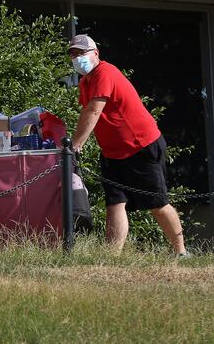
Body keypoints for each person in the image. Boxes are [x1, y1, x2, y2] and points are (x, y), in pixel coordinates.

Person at [69, 34, 187, 255]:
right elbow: (87, 114)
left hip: (140, 146)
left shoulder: (104, 72)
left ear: (95, 53)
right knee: (114, 203)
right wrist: (77, 142)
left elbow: (95, 111)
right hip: (113, 153)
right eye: (73, 54)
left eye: (81, 53)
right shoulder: (86, 82)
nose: (77, 58)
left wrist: (75, 145)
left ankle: (180, 252)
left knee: (157, 203)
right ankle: (112, 256)